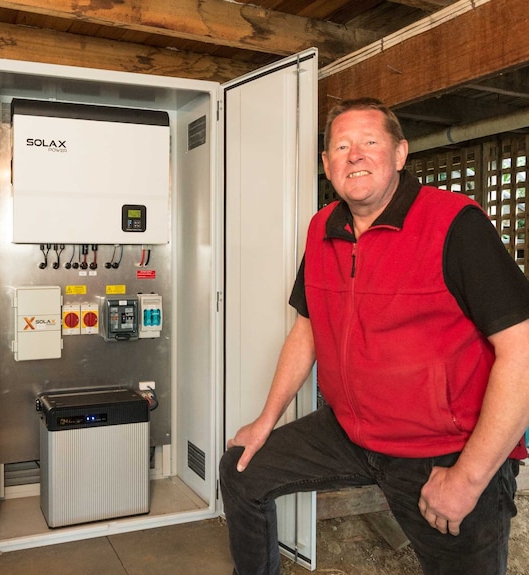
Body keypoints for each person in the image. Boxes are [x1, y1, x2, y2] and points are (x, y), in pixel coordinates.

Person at [219, 97, 529, 575]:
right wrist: (265, 421)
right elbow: (307, 328)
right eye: (341, 146)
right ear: (327, 165)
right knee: (241, 470)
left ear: (400, 153)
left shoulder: (455, 224)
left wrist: (468, 478)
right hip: (349, 430)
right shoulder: (323, 227)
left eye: (369, 142)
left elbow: (521, 352)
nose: (354, 155)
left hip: (441, 450)